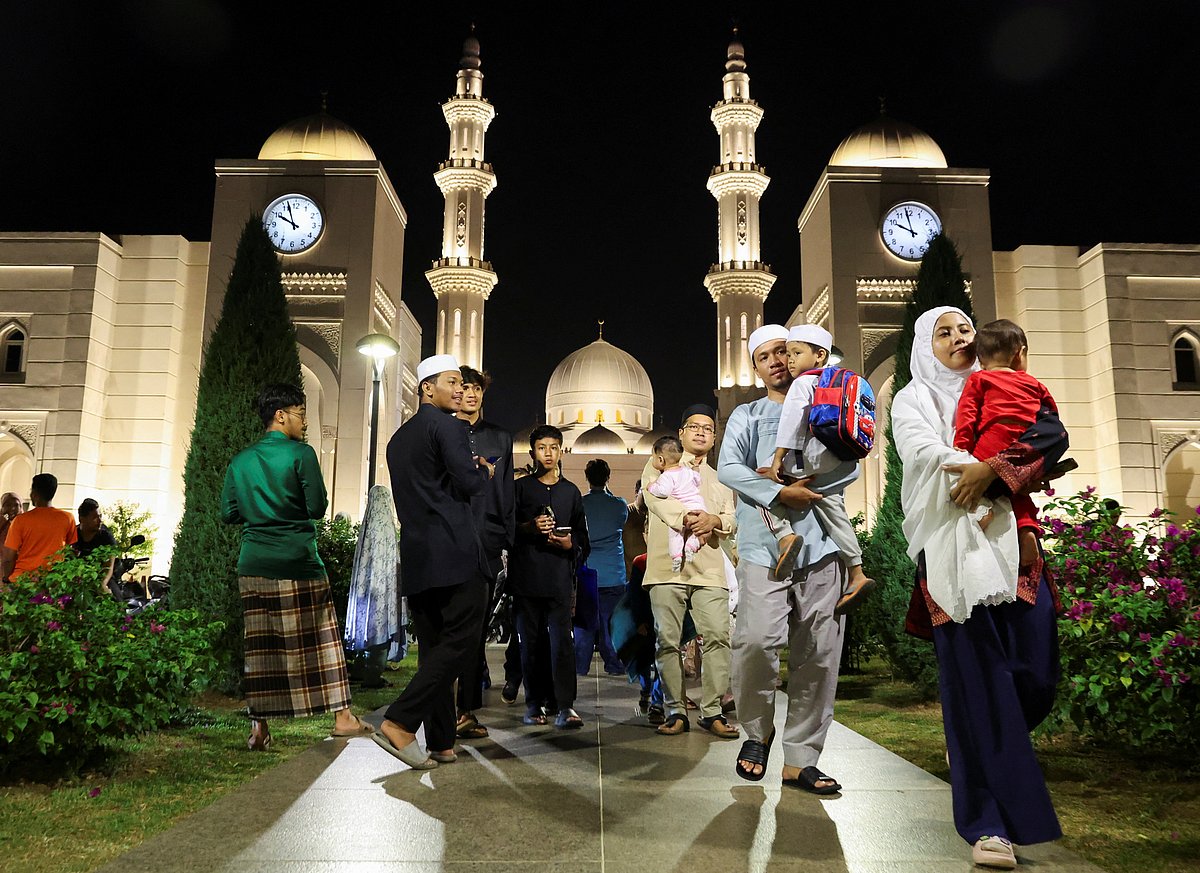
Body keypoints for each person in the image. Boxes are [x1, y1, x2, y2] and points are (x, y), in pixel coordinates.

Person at [893, 306, 1064, 869]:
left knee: (1037, 675)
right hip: (951, 549)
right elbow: (920, 451)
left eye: (964, 329)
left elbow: (1049, 434)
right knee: (982, 686)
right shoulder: (912, 398)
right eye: (943, 333)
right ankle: (990, 825)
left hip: (1016, 544)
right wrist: (972, 467)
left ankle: (970, 735)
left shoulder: (1004, 385)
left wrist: (991, 469)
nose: (957, 339)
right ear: (926, 345)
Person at [718, 325, 858, 793]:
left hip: (820, 545)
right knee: (756, 641)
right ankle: (757, 733)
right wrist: (781, 491)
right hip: (764, 548)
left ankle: (801, 758)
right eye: (766, 357)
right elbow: (730, 469)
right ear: (756, 369)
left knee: (819, 653)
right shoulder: (748, 414)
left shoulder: (827, 403)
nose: (778, 361)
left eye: (785, 351)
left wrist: (812, 488)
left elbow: (852, 458)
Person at [221, 384, 373, 752]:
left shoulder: (240, 461)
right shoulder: (300, 454)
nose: (305, 422)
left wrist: (261, 511)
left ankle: (259, 727)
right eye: (301, 414)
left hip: (254, 562)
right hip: (298, 560)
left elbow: (228, 513)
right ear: (281, 415)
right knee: (323, 639)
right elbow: (318, 506)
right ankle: (342, 718)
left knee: (260, 646)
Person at [376, 355, 491, 770]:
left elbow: (425, 485)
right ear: (427, 388)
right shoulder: (449, 426)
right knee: (460, 643)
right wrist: (483, 472)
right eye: (453, 382)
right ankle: (401, 720)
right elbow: (469, 483)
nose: (462, 390)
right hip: (456, 553)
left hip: (419, 557)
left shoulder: (398, 439)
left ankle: (441, 743)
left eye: (463, 384)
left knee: (435, 649)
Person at [642, 404, 739, 739]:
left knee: (717, 638)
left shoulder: (721, 476)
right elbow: (654, 499)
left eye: (708, 428)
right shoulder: (660, 462)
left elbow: (731, 518)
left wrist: (715, 521)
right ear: (681, 433)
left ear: (713, 437)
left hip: (709, 570)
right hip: (667, 569)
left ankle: (711, 711)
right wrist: (688, 518)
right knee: (667, 642)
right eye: (694, 426)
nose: (701, 432)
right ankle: (675, 710)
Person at [765, 324, 875, 611]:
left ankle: (784, 536)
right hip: (841, 463)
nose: (788, 360)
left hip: (810, 464)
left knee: (764, 487)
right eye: (787, 353)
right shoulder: (835, 380)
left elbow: (792, 424)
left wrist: (777, 459)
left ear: (819, 355)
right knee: (836, 514)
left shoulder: (803, 384)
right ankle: (857, 570)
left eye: (796, 353)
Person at [954, 318, 1062, 570]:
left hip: (991, 444)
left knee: (972, 483)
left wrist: (962, 446)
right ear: (1020, 353)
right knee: (1018, 490)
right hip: (1025, 444)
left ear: (980, 359)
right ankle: (1027, 532)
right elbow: (1052, 414)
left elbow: (967, 414)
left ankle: (983, 511)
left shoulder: (979, 380)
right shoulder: (1033, 383)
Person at [508, 424, 590, 729]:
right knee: (530, 643)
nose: (548, 453)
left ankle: (565, 705)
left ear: (561, 451)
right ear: (532, 453)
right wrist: (531, 527)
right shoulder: (520, 489)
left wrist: (571, 544)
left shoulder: (571, 492)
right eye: (542, 448)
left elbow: (583, 539)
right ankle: (533, 704)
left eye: (554, 447)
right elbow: (507, 531)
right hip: (527, 580)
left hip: (558, 581)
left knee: (561, 644)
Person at [454, 364, 515, 739]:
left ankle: (466, 709)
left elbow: (505, 490)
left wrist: (505, 538)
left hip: (486, 540)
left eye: (476, 388)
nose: (471, 394)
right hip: (453, 538)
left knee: (477, 630)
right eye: (464, 388)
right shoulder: (444, 434)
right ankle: (447, 706)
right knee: (452, 629)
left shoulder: (500, 438)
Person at [575, 458, 628, 676]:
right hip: (613, 574)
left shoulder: (580, 504)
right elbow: (620, 522)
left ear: (587, 478)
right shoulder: (619, 505)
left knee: (585, 626)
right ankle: (615, 665)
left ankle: (579, 667)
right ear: (608, 477)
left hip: (587, 572)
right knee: (611, 626)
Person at [647, 436, 710, 570]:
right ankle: (691, 546)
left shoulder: (666, 476)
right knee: (697, 531)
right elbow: (698, 480)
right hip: (699, 506)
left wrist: (651, 487)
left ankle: (676, 556)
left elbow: (663, 492)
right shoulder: (687, 471)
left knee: (676, 532)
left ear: (661, 460)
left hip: (684, 509)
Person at [1, 474, 76, 585]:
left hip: (23, 580)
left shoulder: (21, 520)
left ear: (35, 494)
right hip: (53, 581)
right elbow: (71, 550)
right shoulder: (67, 518)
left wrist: (6, 579)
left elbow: (9, 558)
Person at [74, 498, 117, 593]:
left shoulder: (106, 536)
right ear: (82, 519)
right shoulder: (73, 534)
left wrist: (103, 584)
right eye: (95, 517)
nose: (100, 520)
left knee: (116, 600)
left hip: (102, 578)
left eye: (100, 516)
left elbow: (108, 567)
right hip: (78, 579)